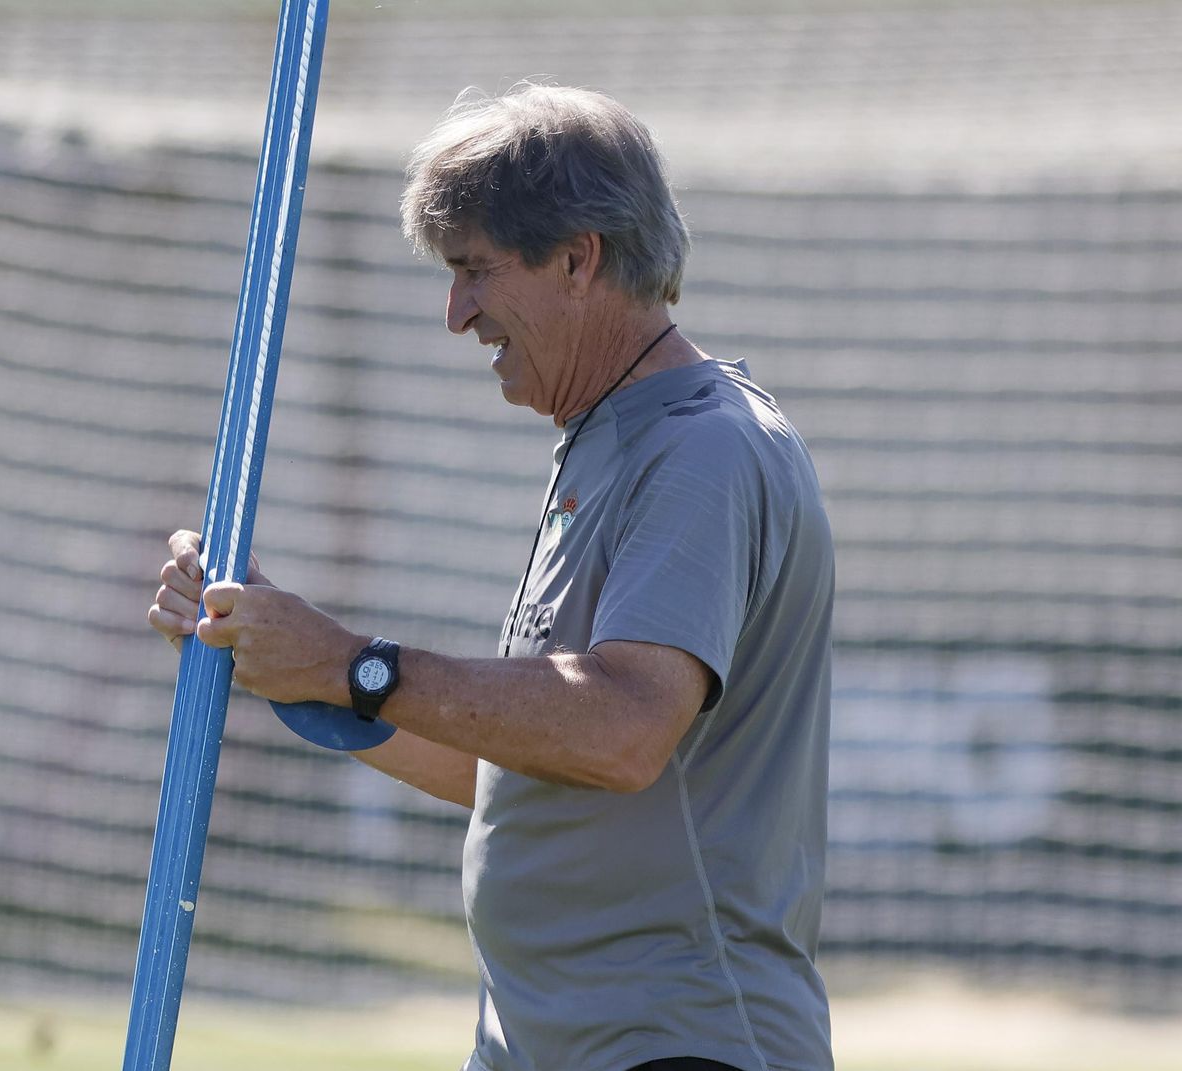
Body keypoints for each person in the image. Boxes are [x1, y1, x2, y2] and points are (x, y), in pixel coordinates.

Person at [148, 84, 834, 1071]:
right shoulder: (611, 444)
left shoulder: (703, 452)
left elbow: (621, 730)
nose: (454, 314)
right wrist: (278, 663)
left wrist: (350, 663)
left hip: (674, 1046)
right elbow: (509, 771)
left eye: (474, 271)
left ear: (576, 257)